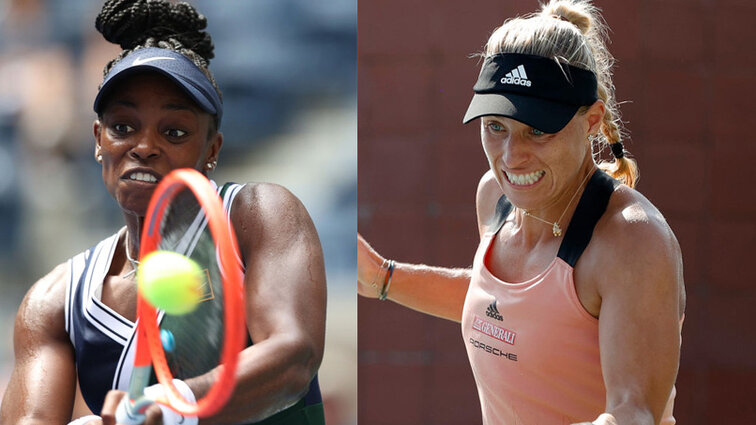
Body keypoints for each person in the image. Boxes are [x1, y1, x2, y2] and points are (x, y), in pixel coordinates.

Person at [0, 1, 327, 424]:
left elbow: (293, 358)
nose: (144, 146)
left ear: (212, 150)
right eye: (123, 127)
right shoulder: (53, 301)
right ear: (98, 139)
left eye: (174, 132)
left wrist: (172, 405)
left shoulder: (259, 213)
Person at [358, 1, 685, 424]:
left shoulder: (633, 241)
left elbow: (634, 413)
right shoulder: (494, 196)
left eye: (538, 130)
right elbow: (514, 311)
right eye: (496, 127)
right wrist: (383, 278)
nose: (512, 158)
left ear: (591, 121)